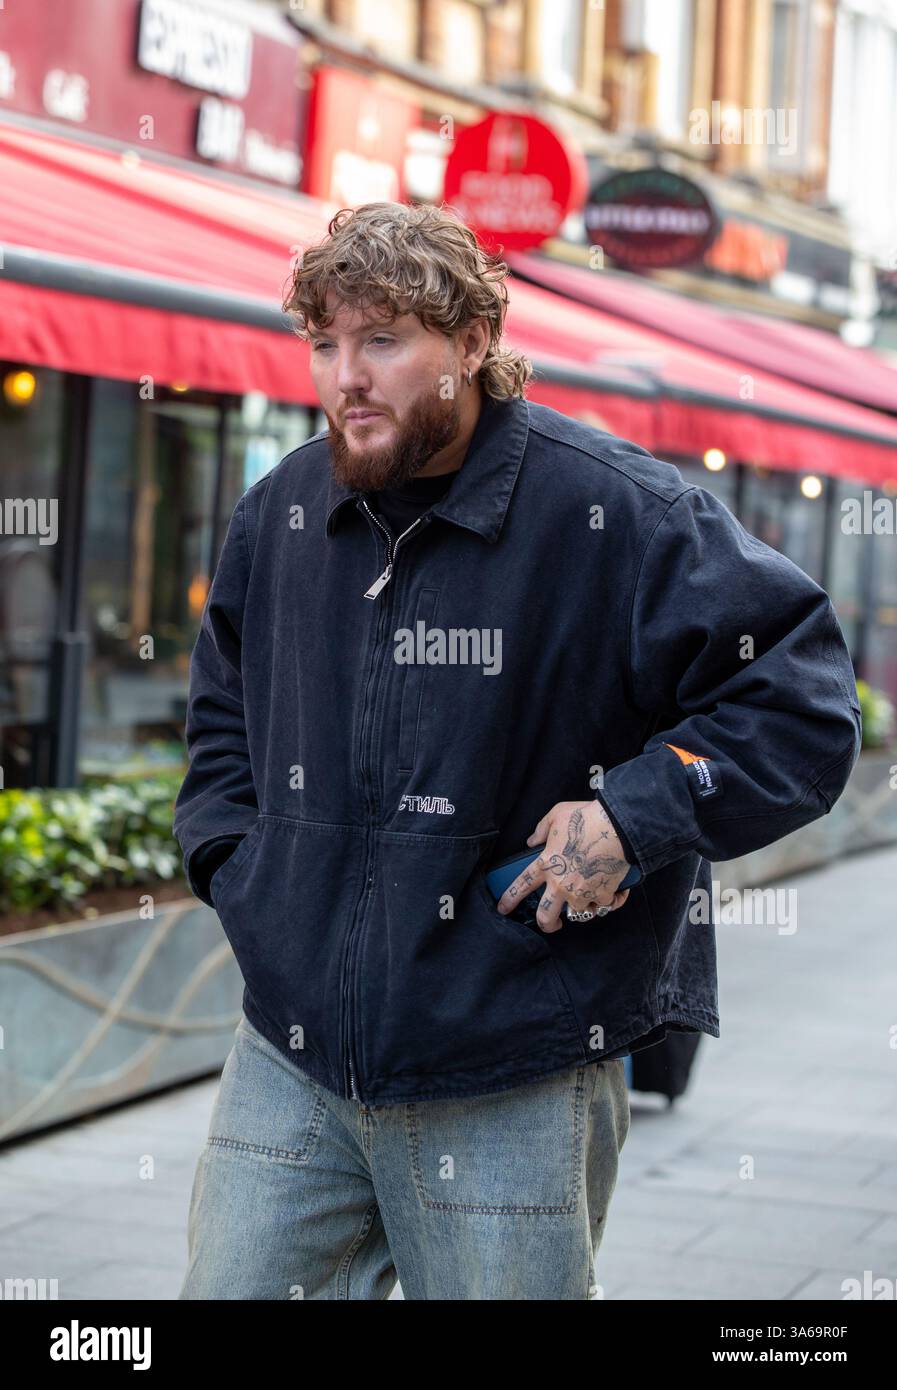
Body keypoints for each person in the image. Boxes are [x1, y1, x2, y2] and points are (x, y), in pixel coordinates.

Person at [173, 201, 861, 1300]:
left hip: (514, 1060)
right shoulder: (282, 514)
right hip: (291, 1055)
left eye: (384, 340)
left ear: (476, 344)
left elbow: (805, 698)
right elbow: (220, 720)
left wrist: (640, 816)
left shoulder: (617, 511)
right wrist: (244, 875)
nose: (346, 375)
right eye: (325, 342)